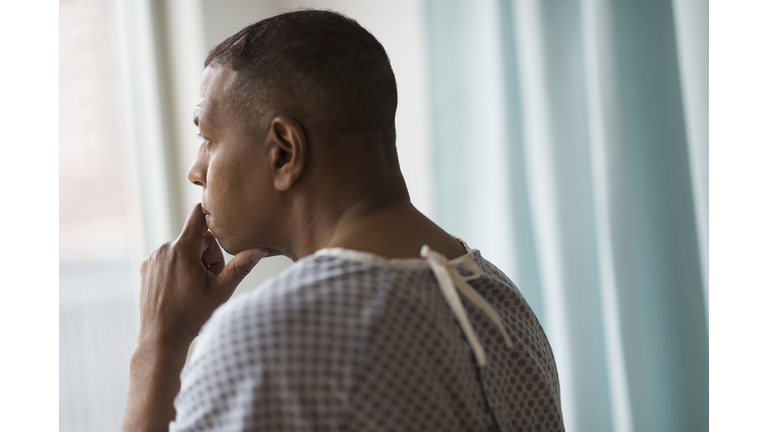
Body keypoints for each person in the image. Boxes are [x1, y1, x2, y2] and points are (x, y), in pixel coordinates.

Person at [121, 9, 564, 432]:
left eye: (207, 137)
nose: (195, 171)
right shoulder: (503, 305)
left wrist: (159, 342)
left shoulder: (267, 342)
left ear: (284, 152)